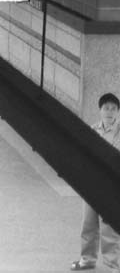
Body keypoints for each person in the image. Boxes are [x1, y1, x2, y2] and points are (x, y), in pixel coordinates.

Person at [71, 92, 120, 271]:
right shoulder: (92, 130)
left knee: (109, 229)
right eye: (106, 108)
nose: (109, 112)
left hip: (112, 187)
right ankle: (87, 259)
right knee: (88, 224)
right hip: (92, 184)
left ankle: (111, 266)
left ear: (118, 112)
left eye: (113, 109)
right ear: (100, 110)